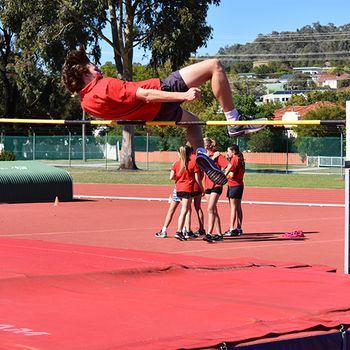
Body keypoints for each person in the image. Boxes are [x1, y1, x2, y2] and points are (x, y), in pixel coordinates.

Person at [61, 46, 265, 184]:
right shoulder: (104, 85)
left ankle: (201, 155)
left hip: (158, 115)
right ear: (84, 73)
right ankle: (234, 121)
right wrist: (182, 95)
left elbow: (117, 116)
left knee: (193, 123)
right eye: (92, 66)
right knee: (214, 65)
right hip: (162, 93)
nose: (97, 67)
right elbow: (147, 94)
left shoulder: (86, 103)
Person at [201, 138, 232, 243]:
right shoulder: (204, 156)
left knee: (210, 209)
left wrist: (223, 175)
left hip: (217, 185)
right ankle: (219, 234)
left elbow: (229, 165)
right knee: (213, 210)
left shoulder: (217, 155)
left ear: (209, 144)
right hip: (207, 185)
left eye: (204, 142)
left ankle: (209, 234)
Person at [170, 145, 204, 241]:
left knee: (185, 210)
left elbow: (171, 176)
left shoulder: (177, 163)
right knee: (185, 210)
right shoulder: (193, 163)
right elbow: (198, 179)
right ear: (190, 153)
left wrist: (179, 178)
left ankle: (185, 231)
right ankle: (179, 231)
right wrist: (202, 189)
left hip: (179, 189)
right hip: (187, 189)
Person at [224, 144, 245, 237]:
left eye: (228, 151)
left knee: (233, 207)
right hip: (239, 185)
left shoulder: (234, 159)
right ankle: (239, 228)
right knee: (238, 207)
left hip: (234, 185)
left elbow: (230, 173)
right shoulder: (239, 158)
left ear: (233, 152)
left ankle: (232, 228)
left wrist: (223, 175)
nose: (227, 153)